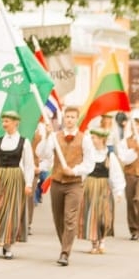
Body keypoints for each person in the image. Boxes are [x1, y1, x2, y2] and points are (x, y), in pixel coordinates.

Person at [37, 108, 95, 266]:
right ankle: (64, 243)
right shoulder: (55, 137)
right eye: (67, 117)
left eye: (72, 117)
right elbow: (44, 154)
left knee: (70, 218)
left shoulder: (85, 139)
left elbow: (90, 163)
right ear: (64, 119)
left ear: (77, 119)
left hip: (74, 184)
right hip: (57, 182)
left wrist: (75, 170)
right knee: (58, 218)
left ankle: (65, 252)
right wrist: (47, 135)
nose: (69, 119)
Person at [0, 110, 34, 259]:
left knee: (11, 210)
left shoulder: (24, 142)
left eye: (7, 121)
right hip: (0, 176)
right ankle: (1, 236)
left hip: (16, 177)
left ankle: (7, 244)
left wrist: (28, 183)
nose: (4, 124)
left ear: (16, 123)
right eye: (3, 121)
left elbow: (29, 164)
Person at [79, 128, 126, 253]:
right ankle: (94, 243)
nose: (92, 140)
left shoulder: (109, 156)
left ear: (101, 139)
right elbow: (83, 170)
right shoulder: (89, 154)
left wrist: (118, 191)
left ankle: (102, 240)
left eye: (94, 137)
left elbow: (116, 174)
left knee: (104, 215)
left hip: (103, 187)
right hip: (90, 186)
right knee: (91, 215)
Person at [123, 112, 139, 241]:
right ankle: (134, 230)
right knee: (130, 202)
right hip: (130, 174)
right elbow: (124, 159)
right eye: (136, 124)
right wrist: (134, 150)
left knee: (137, 200)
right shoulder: (127, 141)